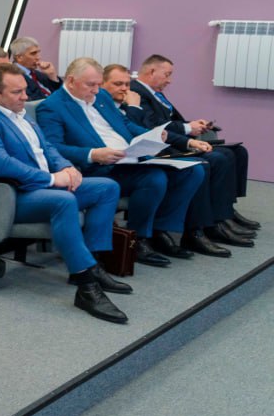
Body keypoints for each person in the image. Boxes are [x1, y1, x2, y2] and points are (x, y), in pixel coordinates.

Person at [0, 65, 130, 323]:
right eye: (17, 92)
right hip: (9, 196)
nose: (25, 97)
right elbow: (1, 165)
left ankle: (92, 263)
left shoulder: (19, 112)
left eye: (25, 90)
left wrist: (66, 167)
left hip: (40, 187)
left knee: (107, 188)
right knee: (64, 200)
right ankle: (86, 285)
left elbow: (47, 148)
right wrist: (51, 178)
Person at [36, 57, 205, 266]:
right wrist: (93, 154)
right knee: (154, 178)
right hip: (101, 167)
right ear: (71, 81)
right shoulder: (52, 106)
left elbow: (125, 124)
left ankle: (160, 231)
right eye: (91, 85)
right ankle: (139, 239)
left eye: (98, 84)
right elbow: (53, 147)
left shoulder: (100, 96)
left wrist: (152, 135)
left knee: (192, 171)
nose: (96, 90)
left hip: (132, 157)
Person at [103, 63, 249, 253]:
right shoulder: (125, 101)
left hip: (149, 151)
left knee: (228, 155)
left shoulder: (129, 101)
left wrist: (187, 137)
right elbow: (140, 127)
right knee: (203, 164)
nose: (124, 88)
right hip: (124, 161)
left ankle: (219, 215)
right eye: (118, 84)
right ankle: (194, 230)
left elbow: (148, 128)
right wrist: (135, 109)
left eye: (126, 84)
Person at [131, 53, 258, 234]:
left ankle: (226, 209)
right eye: (167, 74)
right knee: (219, 158)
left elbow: (169, 121)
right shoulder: (137, 93)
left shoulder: (155, 93)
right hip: (166, 146)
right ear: (152, 71)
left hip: (177, 139)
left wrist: (192, 125)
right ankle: (215, 220)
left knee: (238, 151)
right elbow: (154, 125)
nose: (170, 80)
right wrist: (187, 129)